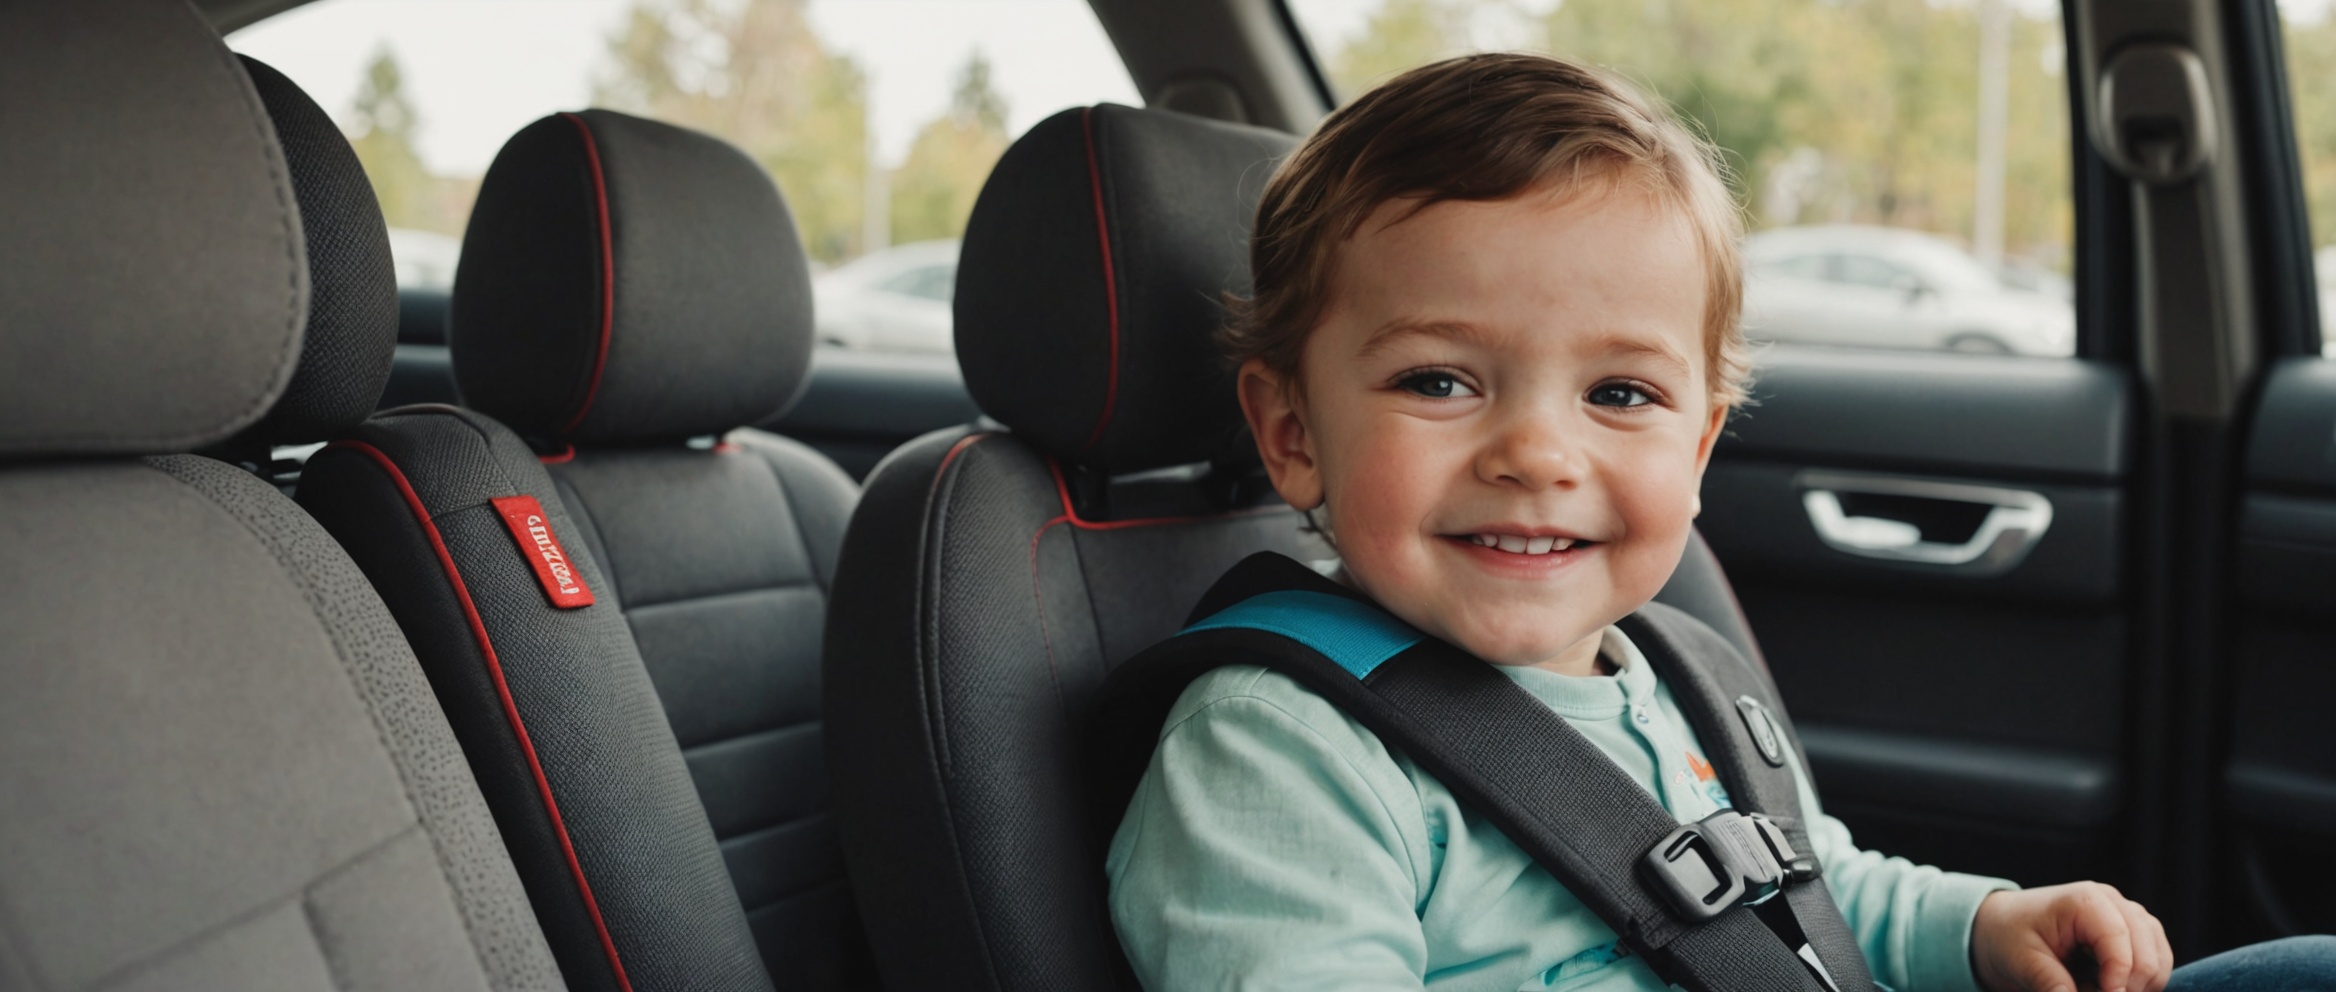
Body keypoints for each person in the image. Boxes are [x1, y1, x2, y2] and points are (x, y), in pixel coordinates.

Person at [1104, 53, 2336, 992]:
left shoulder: (1675, 672)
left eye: (1620, 394)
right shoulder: (1280, 749)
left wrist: (1976, 925)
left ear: (1695, 447)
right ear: (1291, 434)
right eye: (1437, 379)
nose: (1536, 451)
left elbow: (1811, 882)